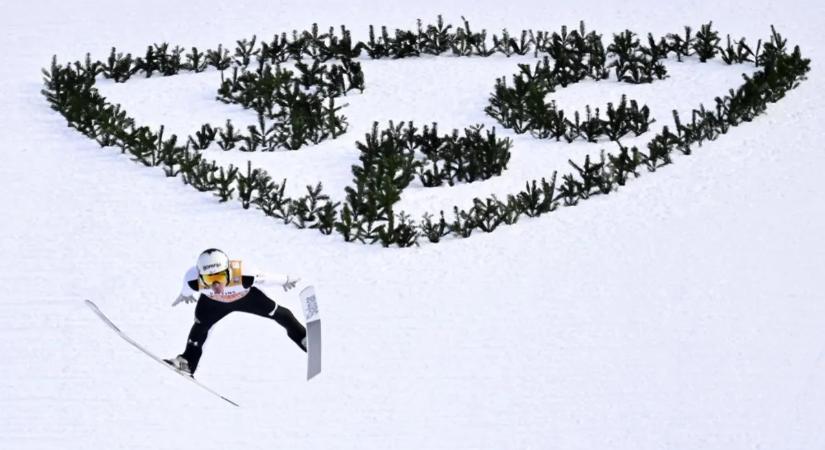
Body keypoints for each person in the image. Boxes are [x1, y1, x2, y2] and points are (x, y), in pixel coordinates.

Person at [164, 248, 307, 376]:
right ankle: (187, 362)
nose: (216, 285)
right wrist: (185, 294)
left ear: (228, 271)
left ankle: (303, 337)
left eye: (220, 277)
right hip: (213, 304)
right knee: (200, 326)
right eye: (209, 279)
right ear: (201, 276)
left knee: (280, 313)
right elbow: (187, 286)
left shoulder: (243, 272)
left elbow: (265, 279)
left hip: (246, 299)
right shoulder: (193, 278)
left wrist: (286, 280)